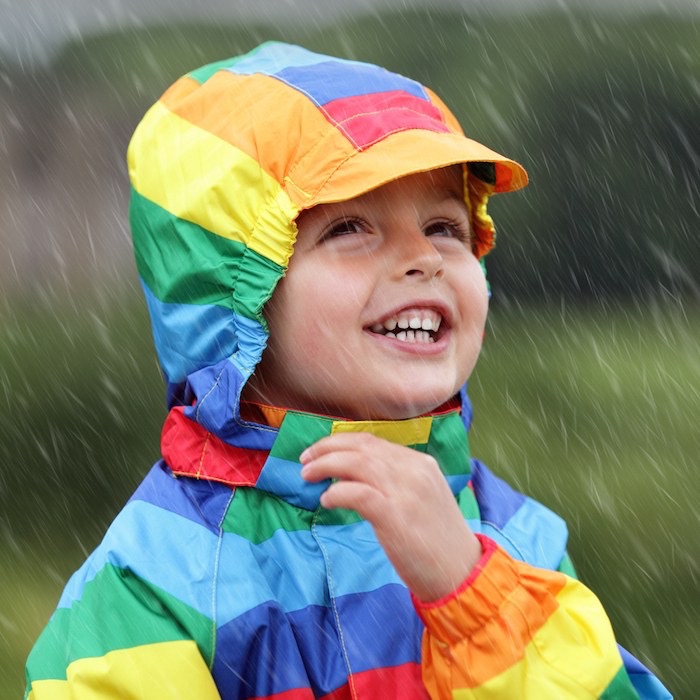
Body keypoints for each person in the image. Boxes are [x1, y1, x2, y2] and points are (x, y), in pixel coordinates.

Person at [24, 41, 671, 699]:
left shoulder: (511, 545)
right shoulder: (159, 579)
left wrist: (476, 604)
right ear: (238, 302)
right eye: (351, 228)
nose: (423, 259)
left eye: (446, 226)